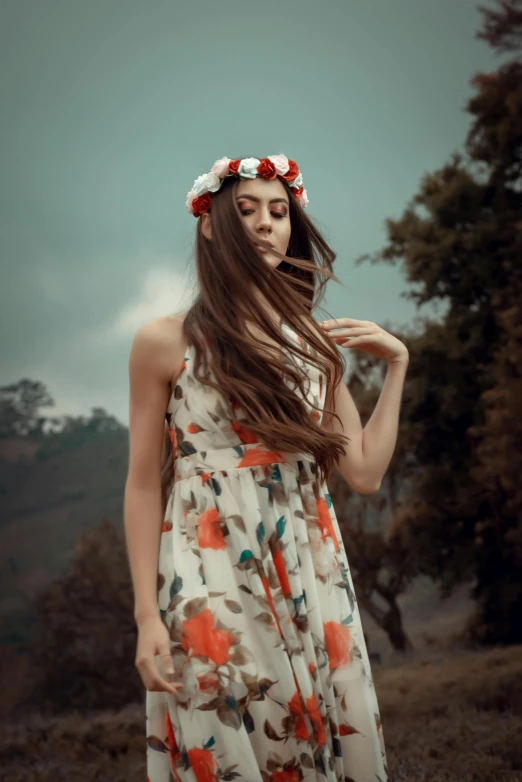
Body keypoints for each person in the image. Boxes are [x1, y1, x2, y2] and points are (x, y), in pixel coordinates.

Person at [124, 154, 408, 781]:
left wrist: (397, 366)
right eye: (246, 210)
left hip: (311, 572)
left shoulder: (312, 344)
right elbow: (143, 484)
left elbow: (363, 473)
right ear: (209, 225)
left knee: (321, 733)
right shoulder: (164, 341)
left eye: (279, 212)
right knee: (225, 733)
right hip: (207, 573)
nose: (265, 223)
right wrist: (147, 616)